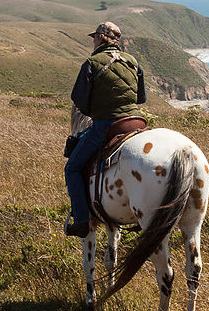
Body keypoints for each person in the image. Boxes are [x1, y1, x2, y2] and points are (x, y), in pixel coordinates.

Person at [63, 21, 147, 236]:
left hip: (105, 126)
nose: (93, 41)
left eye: (94, 37)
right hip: (136, 121)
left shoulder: (92, 62)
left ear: (100, 37)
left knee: (71, 169)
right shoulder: (133, 61)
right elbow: (141, 97)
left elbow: (80, 102)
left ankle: (82, 220)